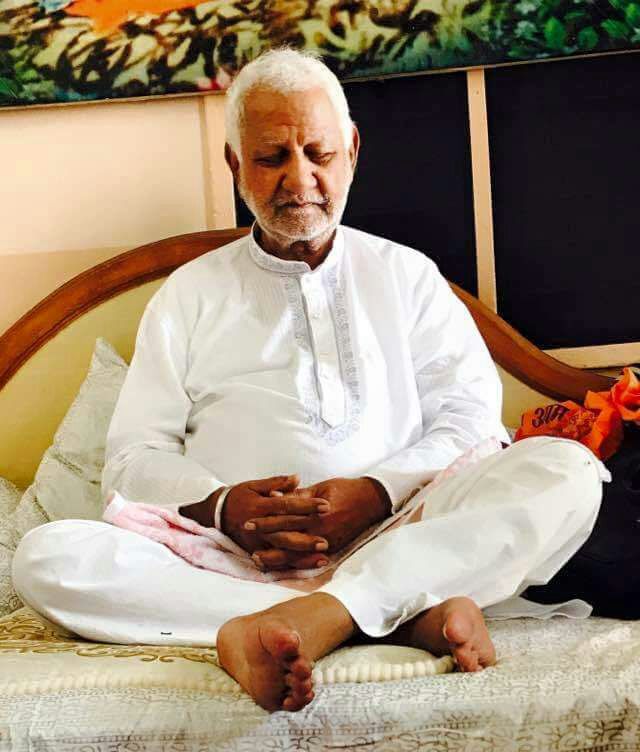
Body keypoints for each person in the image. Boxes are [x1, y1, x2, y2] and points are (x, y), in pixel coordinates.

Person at [12, 48, 606, 714]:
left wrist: (376, 492)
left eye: (318, 154)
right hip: (230, 560)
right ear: (235, 163)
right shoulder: (188, 295)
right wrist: (224, 508)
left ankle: (325, 613)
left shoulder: (407, 277)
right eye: (271, 158)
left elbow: (469, 423)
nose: (299, 180)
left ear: (351, 150)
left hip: (400, 532)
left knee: (567, 471)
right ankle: (392, 614)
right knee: (46, 557)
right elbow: (133, 458)